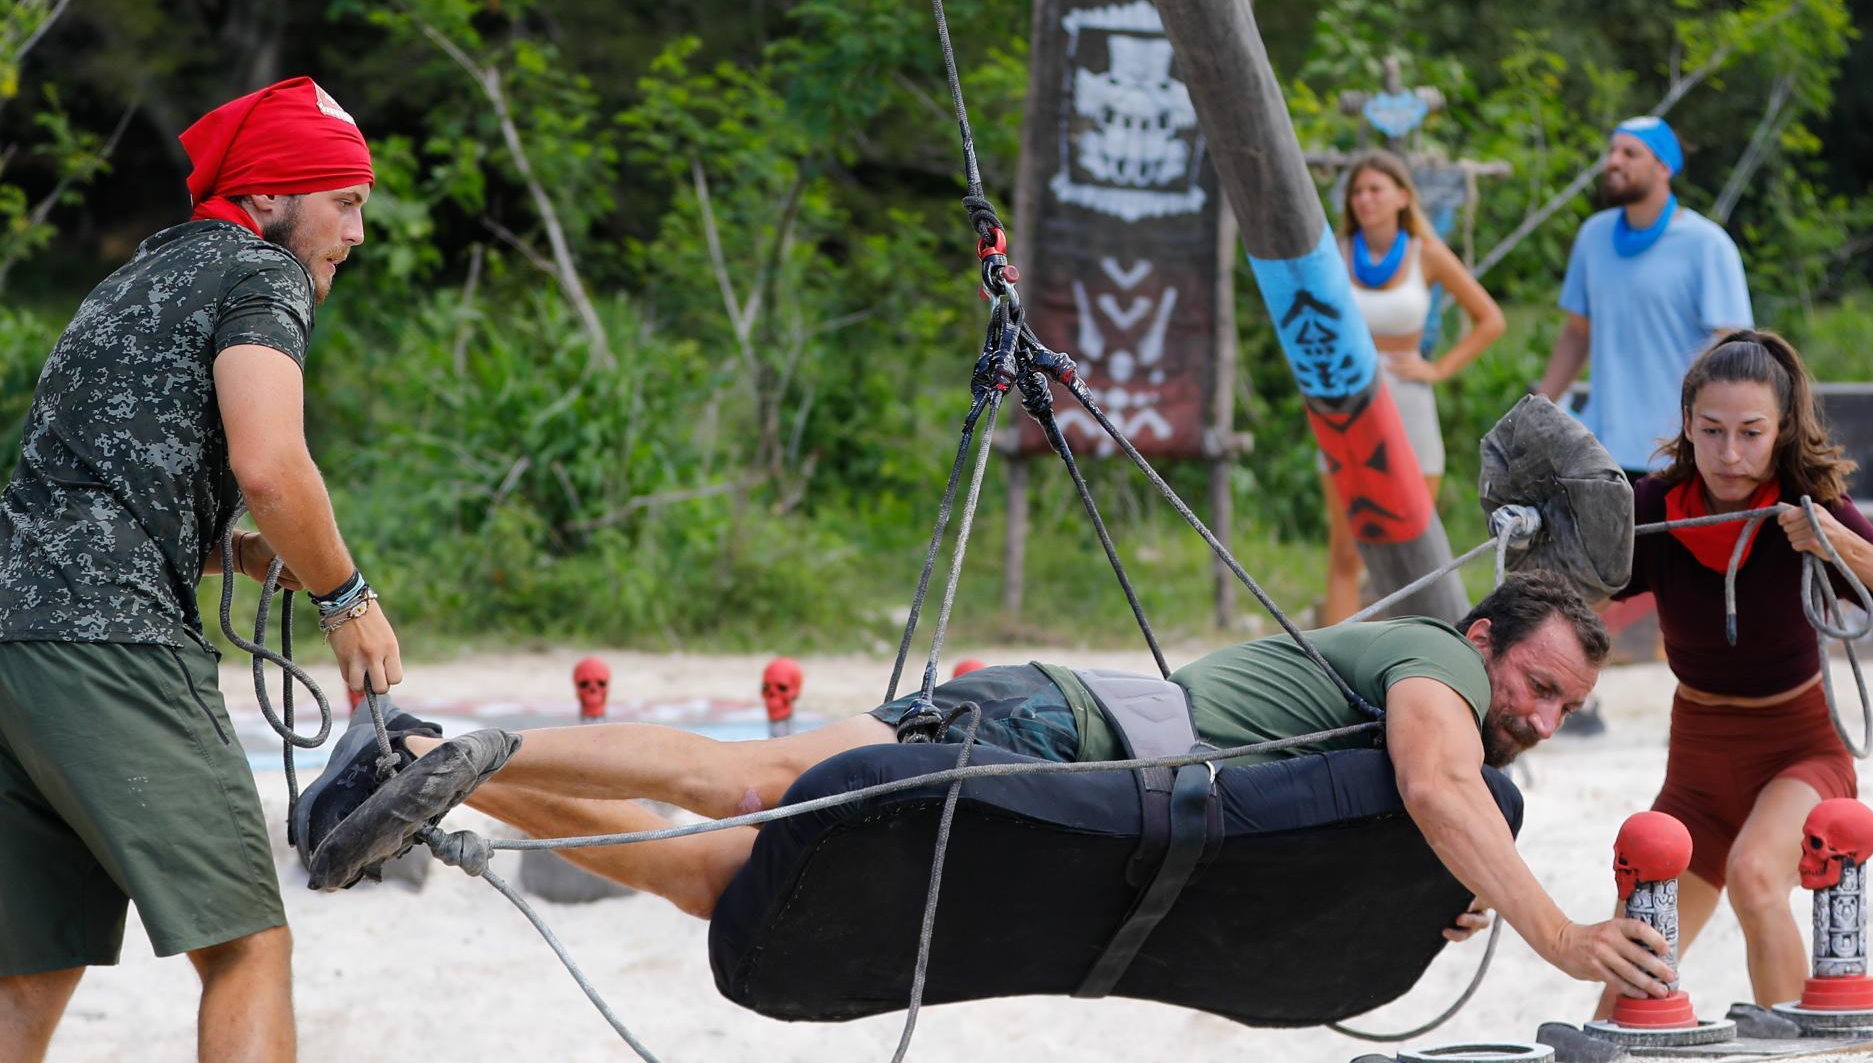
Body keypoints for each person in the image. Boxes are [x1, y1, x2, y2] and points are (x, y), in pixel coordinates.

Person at [313, 572, 1676, 1001]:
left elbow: (1394, 819)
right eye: (1536, 683)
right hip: (1048, 723)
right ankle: (458, 745)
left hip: (1055, 754)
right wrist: (1557, 932)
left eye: (1565, 708)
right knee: (753, 783)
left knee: (717, 880)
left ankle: (446, 780)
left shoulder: (1451, 715)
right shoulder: (1439, 663)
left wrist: (1423, 896)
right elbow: (1438, 790)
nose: (1540, 716)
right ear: (1484, 639)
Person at [0, 76, 401, 1063]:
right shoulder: (263, 273)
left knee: (23, 984)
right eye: (344, 203)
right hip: (111, 648)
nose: (354, 233)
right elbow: (271, 465)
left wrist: (234, 551)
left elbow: (100, 482)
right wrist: (346, 596)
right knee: (248, 949)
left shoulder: (136, 273)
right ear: (272, 196)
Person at [1602, 330, 1873, 1014]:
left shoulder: (1809, 505)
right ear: (1687, 425)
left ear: (1783, 429)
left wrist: (1838, 541)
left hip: (1800, 748)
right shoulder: (1652, 506)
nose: (1730, 454)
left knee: (1756, 877)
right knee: (1634, 953)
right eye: (1712, 431)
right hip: (1696, 762)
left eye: (1751, 433)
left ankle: (1793, 1055)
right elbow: (1567, 607)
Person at [1538, 114, 1752, 735]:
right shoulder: (1593, 238)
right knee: (1586, 578)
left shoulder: (1706, 244)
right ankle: (1574, 699)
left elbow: (1734, 346)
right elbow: (1576, 332)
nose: (1614, 162)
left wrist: (1719, 433)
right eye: (1611, 151)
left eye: (1629, 153)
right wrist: (1540, 407)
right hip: (1605, 443)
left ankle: (1724, 696)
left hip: (1681, 447)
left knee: (1696, 576)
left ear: (1663, 167)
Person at [1321, 148, 1505, 622]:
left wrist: (1438, 369)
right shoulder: (1334, 253)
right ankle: (1328, 658)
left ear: (1403, 196)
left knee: (1416, 545)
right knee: (1345, 551)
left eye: (1375, 189)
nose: (1365, 199)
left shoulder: (1426, 253)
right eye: (1357, 191)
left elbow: (1490, 319)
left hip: (1408, 400)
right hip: (1346, 403)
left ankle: (1419, 650)